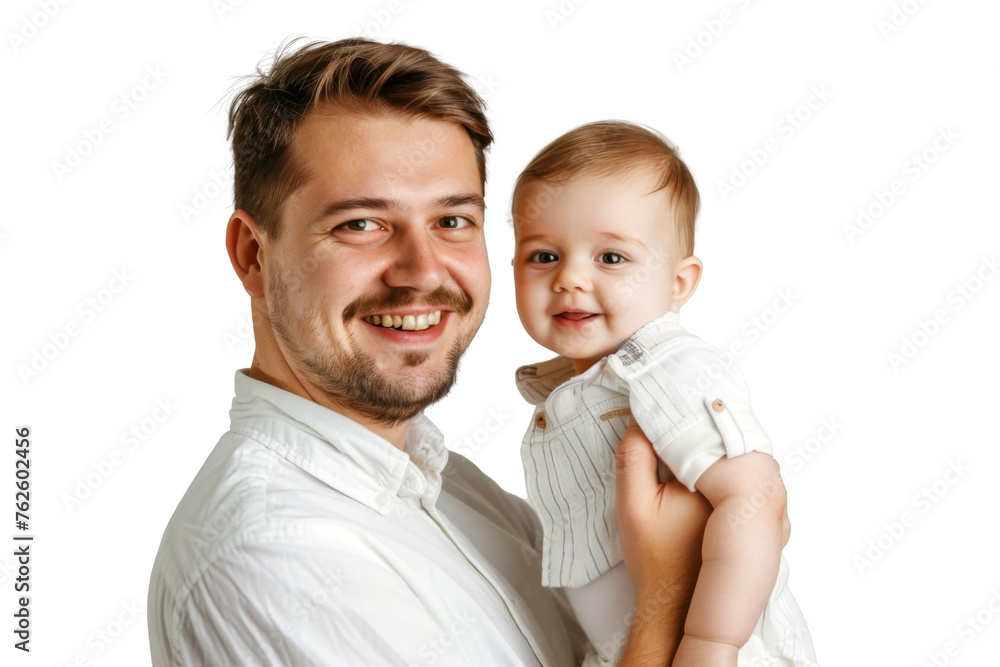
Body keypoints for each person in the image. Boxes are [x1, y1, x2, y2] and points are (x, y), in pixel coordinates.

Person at [147, 39, 714, 666]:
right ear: (253, 254)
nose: (423, 271)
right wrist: (668, 588)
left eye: (452, 221)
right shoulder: (267, 551)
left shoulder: (449, 486)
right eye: (361, 223)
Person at [510, 121, 818, 666]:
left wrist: (711, 642)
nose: (570, 279)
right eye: (543, 256)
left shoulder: (667, 370)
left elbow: (757, 498)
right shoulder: (578, 392)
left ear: (679, 284)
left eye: (611, 258)